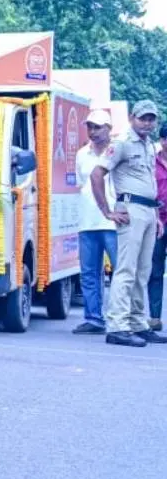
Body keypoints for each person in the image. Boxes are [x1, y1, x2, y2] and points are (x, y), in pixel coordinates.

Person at [90, 100, 167, 348]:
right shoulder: (122, 142)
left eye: (151, 119)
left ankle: (137, 322)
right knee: (126, 270)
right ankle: (117, 326)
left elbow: (149, 183)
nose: (147, 123)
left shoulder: (148, 145)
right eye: (143, 118)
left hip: (148, 210)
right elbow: (97, 174)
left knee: (143, 271)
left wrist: (156, 216)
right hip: (130, 209)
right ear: (132, 117)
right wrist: (107, 211)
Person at [72, 109, 118, 335]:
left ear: (109, 128)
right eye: (90, 127)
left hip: (114, 223)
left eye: (98, 127)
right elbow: (81, 184)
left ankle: (120, 318)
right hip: (87, 221)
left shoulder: (117, 151)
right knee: (89, 273)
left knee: (120, 272)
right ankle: (93, 318)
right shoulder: (82, 154)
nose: (93, 131)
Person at [149, 123, 167, 332]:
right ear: (162, 141)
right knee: (155, 270)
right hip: (157, 220)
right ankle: (154, 318)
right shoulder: (151, 162)